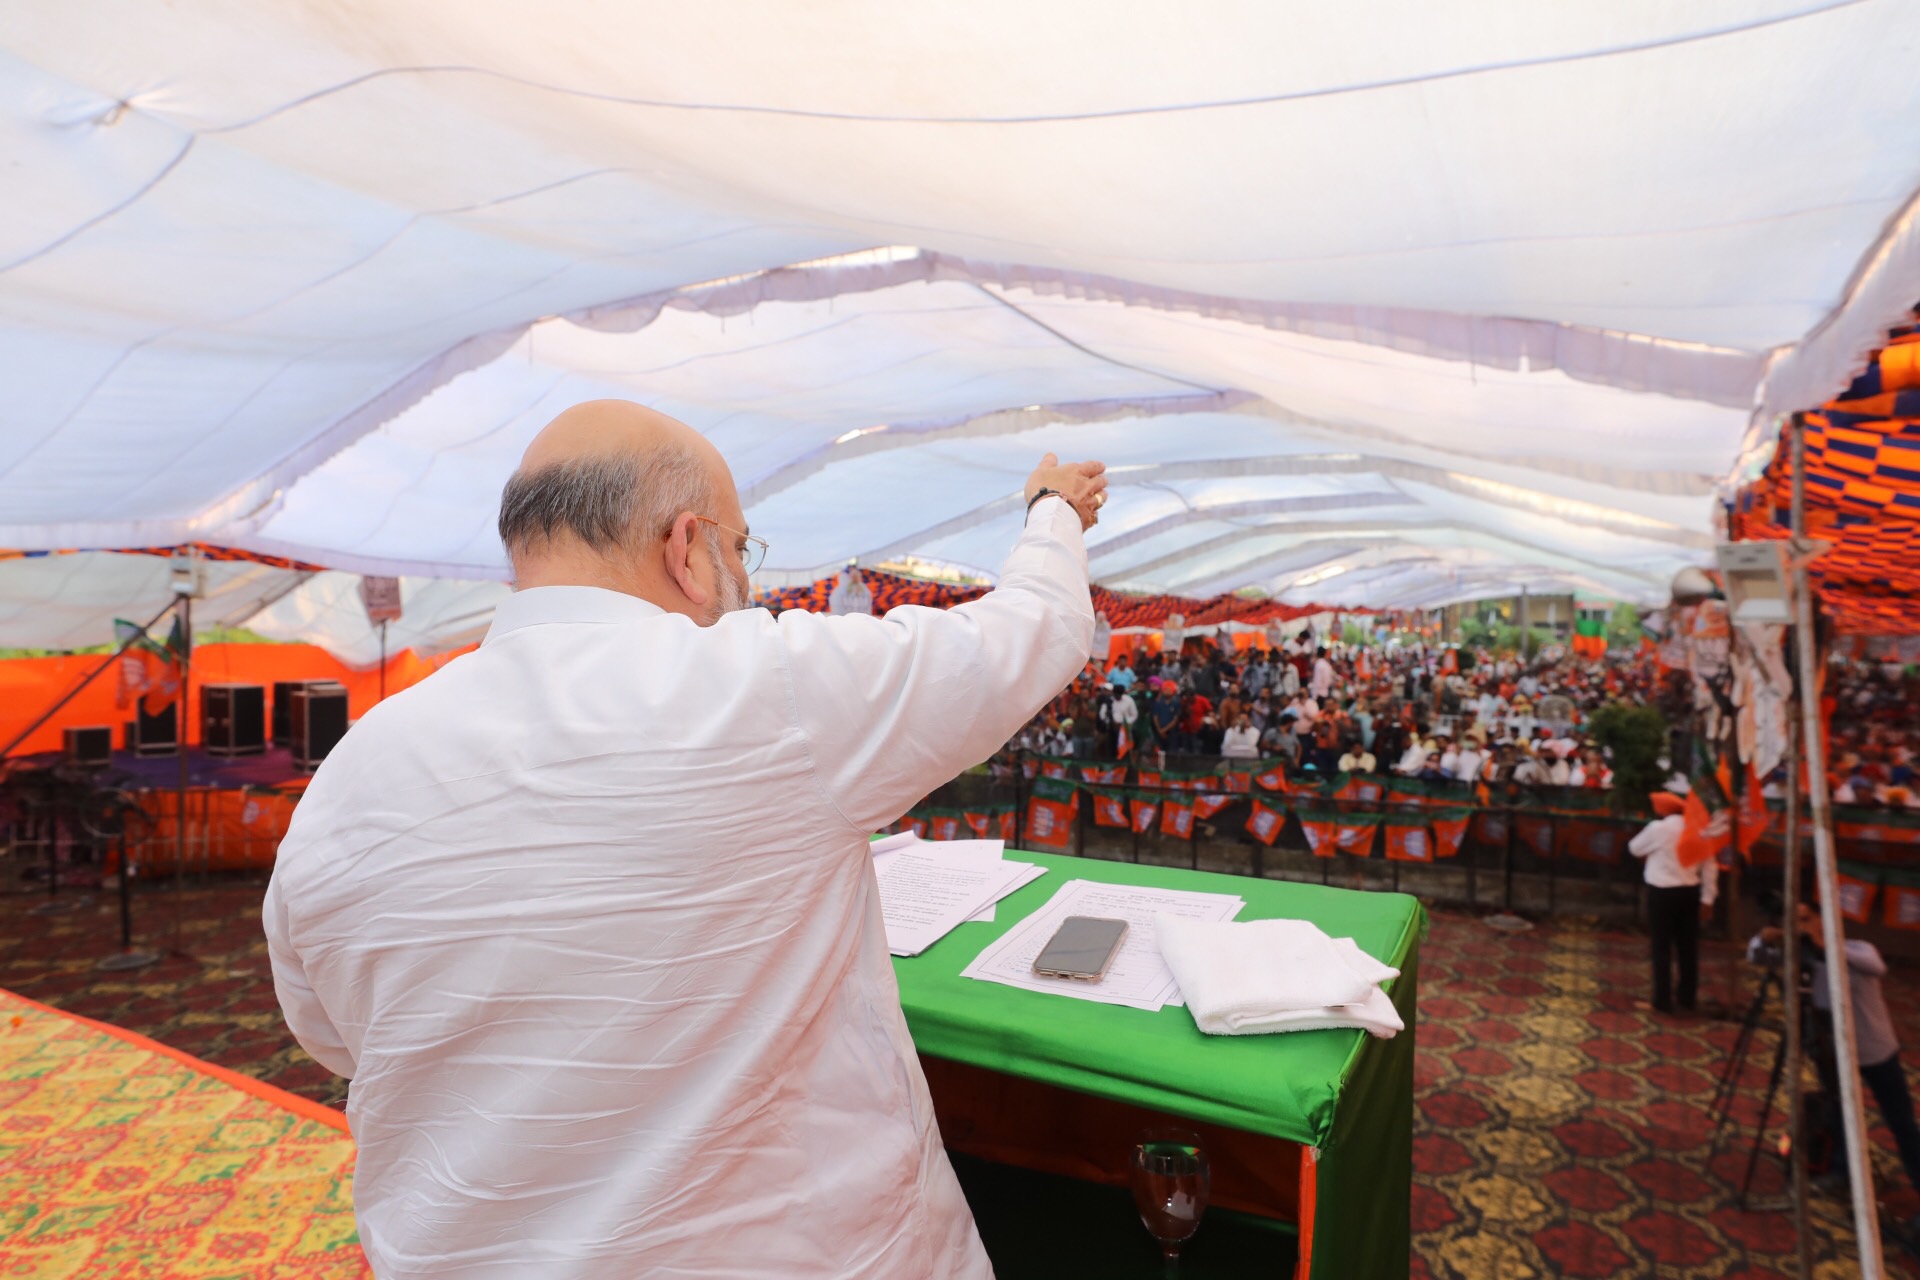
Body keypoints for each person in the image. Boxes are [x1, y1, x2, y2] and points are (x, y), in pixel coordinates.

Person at [263, 400, 1109, 1280]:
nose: (742, 574)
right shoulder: (763, 684)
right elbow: (1033, 629)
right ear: (689, 549)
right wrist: (1051, 508)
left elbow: (332, 1033)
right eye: (742, 549)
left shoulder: (347, 775)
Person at [1759, 902, 1920, 1210]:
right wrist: (1769, 938)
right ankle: (1842, 1172)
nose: (1802, 926)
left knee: (1900, 1120)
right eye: (1796, 921)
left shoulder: (1856, 949)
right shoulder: (1799, 959)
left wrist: (1825, 945)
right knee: (1840, 1115)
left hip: (1876, 1051)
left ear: (1824, 919)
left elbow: (1877, 966)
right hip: (1832, 1052)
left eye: (1807, 919)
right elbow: (1756, 954)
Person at [1630, 792, 1718, 1013]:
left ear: (1662, 810)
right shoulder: (1699, 829)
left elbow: (1634, 848)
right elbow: (1710, 865)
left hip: (1661, 893)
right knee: (1688, 947)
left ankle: (1662, 1000)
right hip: (1690, 893)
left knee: (1661, 947)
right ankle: (1687, 998)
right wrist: (1708, 899)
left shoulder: (1658, 829)